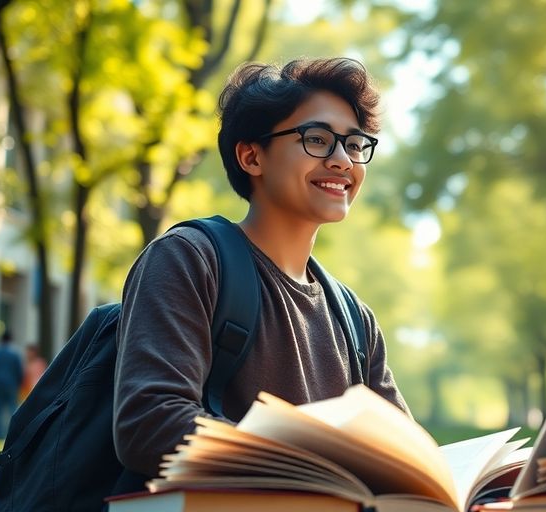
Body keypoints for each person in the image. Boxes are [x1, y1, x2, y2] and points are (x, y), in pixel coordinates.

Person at [113, 57, 409, 479]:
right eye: (318, 139)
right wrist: (319, 465)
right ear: (252, 156)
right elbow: (150, 424)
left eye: (355, 144)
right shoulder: (190, 259)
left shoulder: (355, 319)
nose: (343, 160)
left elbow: (404, 452)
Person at [0, 331, 23, 438]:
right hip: (12, 385)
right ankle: (13, 435)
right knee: (13, 410)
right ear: (11, 340)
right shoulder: (15, 354)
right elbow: (19, 372)